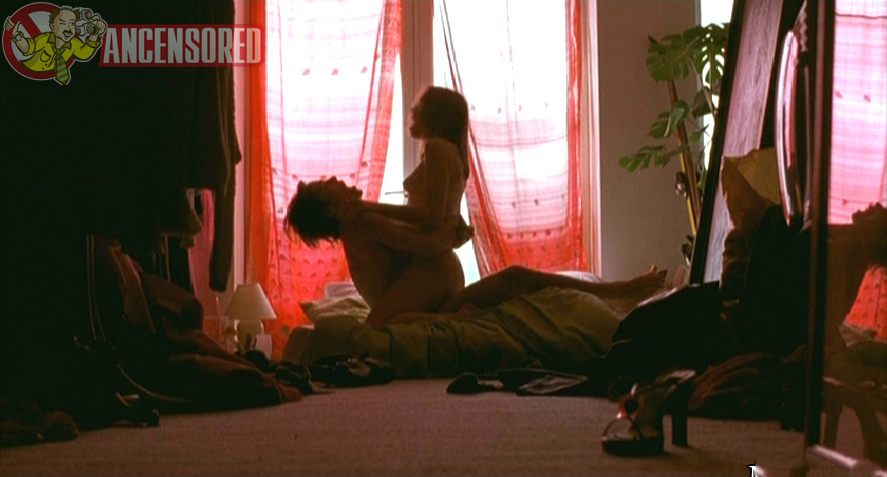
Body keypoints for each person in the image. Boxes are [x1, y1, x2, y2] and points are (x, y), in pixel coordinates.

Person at [288, 86, 472, 327]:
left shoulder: (436, 149)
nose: (413, 111)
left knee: (375, 326)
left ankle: (451, 319)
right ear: (329, 208)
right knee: (381, 324)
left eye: (420, 106)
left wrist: (365, 206)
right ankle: (448, 318)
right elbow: (430, 223)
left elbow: (430, 221)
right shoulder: (358, 222)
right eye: (327, 185)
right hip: (436, 269)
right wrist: (450, 233)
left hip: (433, 271)